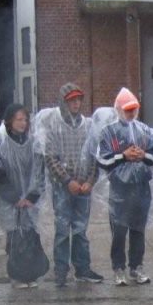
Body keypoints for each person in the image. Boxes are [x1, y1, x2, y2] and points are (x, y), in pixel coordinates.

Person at [96, 87, 153, 286]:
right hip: (120, 189)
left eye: (134, 109)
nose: (131, 113)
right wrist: (123, 156)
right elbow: (102, 160)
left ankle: (136, 267)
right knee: (120, 230)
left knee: (138, 230)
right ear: (119, 109)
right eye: (127, 109)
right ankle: (118, 268)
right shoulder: (109, 132)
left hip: (141, 186)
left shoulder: (144, 130)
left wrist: (142, 156)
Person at [44, 82, 101, 286]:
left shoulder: (88, 126)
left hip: (83, 188)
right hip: (63, 188)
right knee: (62, 230)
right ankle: (61, 271)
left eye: (78, 100)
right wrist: (67, 180)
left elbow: (95, 156)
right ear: (63, 103)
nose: (76, 104)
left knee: (80, 231)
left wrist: (90, 181)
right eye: (71, 101)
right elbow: (50, 157)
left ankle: (82, 269)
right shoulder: (55, 127)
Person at [0, 104, 44, 288]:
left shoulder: (34, 142)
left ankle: (31, 275)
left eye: (25, 119)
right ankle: (17, 276)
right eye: (18, 119)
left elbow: (39, 172)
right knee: (14, 238)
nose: (22, 123)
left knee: (30, 236)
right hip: (10, 202)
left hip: (29, 201)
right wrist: (14, 197)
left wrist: (32, 197)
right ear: (9, 121)